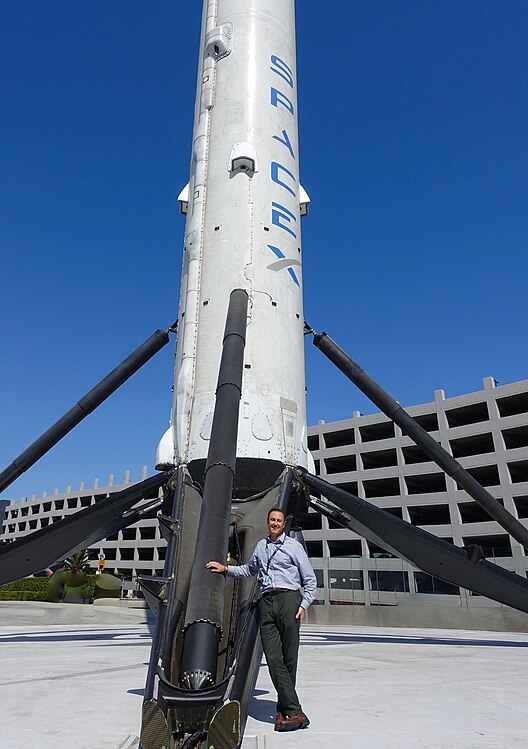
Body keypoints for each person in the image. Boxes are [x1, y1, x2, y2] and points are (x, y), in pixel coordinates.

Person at [206, 507, 317, 732]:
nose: (275, 523)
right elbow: (249, 570)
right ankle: (296, 712)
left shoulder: (293, 547)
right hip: (267, 602)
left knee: (289, 661)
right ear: (268, 523)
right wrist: (225, 569)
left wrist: (303, 605)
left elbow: (311, 581)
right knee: (274, 660)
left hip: (289, 601)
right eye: (272, 520)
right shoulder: (261, 547)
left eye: (279, 521)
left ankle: (283, 710)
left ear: (284, 524)